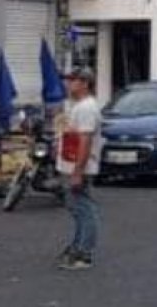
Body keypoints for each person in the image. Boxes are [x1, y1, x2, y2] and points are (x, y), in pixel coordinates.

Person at [56, 67, 102, 271]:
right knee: (77, 208)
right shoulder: (78, 106)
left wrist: (77, 172)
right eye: (68, 80)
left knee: (84, 209)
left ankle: (84, 253)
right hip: (72, 165)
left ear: (85, 83)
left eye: (72, 80)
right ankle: (77, 245)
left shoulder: (87, 108)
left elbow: (85, 141)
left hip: (80, 167)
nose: (68, 83)